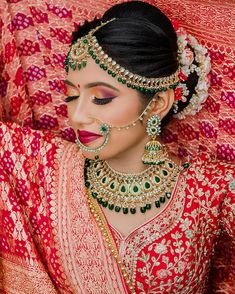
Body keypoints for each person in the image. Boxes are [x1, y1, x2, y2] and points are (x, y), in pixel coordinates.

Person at [0, 1, 234, 293]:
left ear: (158, 104)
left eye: (101, 98)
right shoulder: (46, 168)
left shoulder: (213, 191)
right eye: (72, 96)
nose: (76, 115)